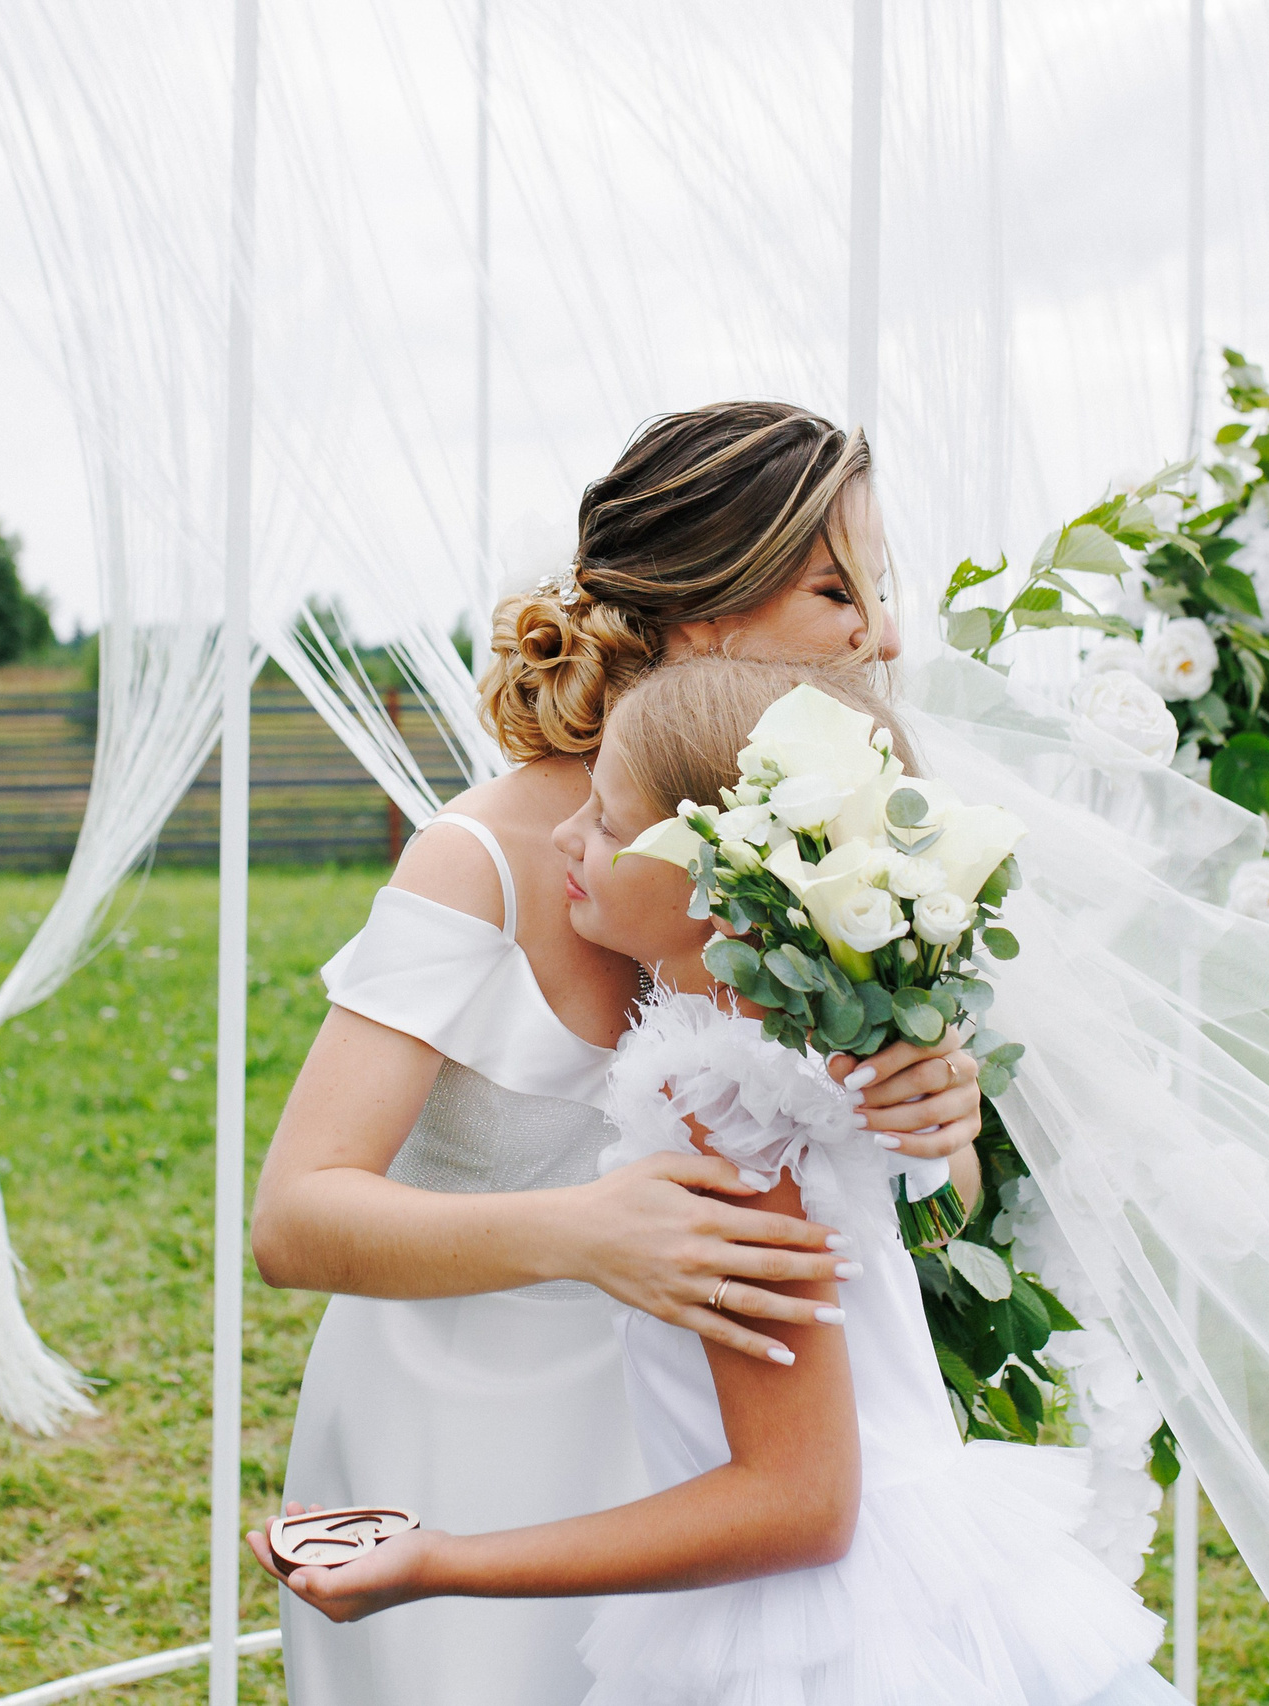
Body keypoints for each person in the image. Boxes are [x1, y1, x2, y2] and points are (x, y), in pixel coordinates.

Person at [256, 657, 1173, 1706]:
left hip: (834, 1639)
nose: (565, 835)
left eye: (605, 824)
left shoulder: (726, 1099)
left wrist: (441, 1561)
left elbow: (799, 1500)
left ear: (717, 879)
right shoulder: (804, 1048)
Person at [252, 403, 984, 1704]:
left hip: (706, 1455)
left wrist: (942, 1112)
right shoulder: (476, 859)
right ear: (707, 620)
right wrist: (589, 1232)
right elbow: (296, 1219)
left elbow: (908, 1226)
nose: (882, 632)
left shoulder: (827, 871)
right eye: (838, 590)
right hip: (463, 1432)